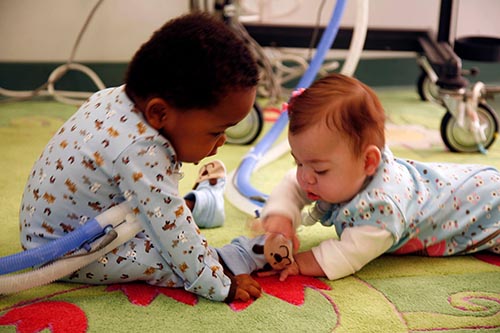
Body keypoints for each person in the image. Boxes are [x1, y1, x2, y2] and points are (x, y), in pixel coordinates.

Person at [18, 12, 261, 303]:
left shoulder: (113, 98)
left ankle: (200, 207)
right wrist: (219, 282)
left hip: (65, 225)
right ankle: (225, 257)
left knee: (160, 217)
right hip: (62, 253)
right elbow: (172, 227)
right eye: (216, 132)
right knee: (164, 253)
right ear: (159, 113)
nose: (222, 142)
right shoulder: (140, 149)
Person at [260, 73, 500, 281]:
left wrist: (298, 263)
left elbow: (346, 255)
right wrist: (281, 215)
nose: (305, 177)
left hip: (488, 206)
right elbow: (292, 183)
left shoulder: (382, 208)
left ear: (368, 162)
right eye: (298, 161)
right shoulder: (342, 171)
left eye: (319, 170)